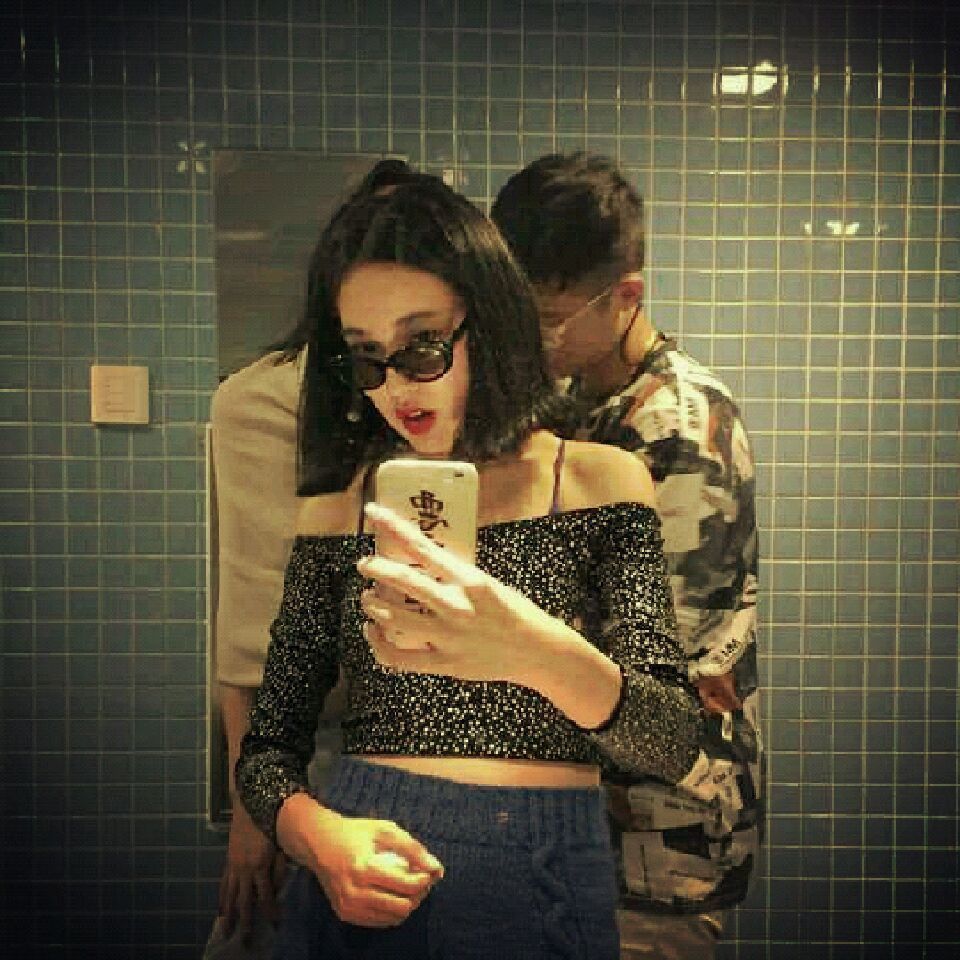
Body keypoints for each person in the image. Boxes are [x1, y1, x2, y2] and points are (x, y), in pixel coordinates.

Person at [235, 176, 718, 959]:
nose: (396, 386)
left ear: (488, 327)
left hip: (542, 874)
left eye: (422, 345)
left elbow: (670, 741)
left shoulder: (596, 482)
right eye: (366, 358)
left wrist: (533, 651)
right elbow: (268, 750)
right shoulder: (337, 510)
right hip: (361, 871)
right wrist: (316, 836)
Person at [492, 152, 763, 960]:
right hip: (589, 822)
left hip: (659, 838)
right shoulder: (582, 402)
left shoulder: (677, 428)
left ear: (626, 297)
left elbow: (658, 661)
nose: (531, 339)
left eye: (548, 318)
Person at [206, 160, 421, 958]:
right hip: (317, 749)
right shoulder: (265, 402)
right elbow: (249, 630)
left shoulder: (477, 406)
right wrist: (254, 811)